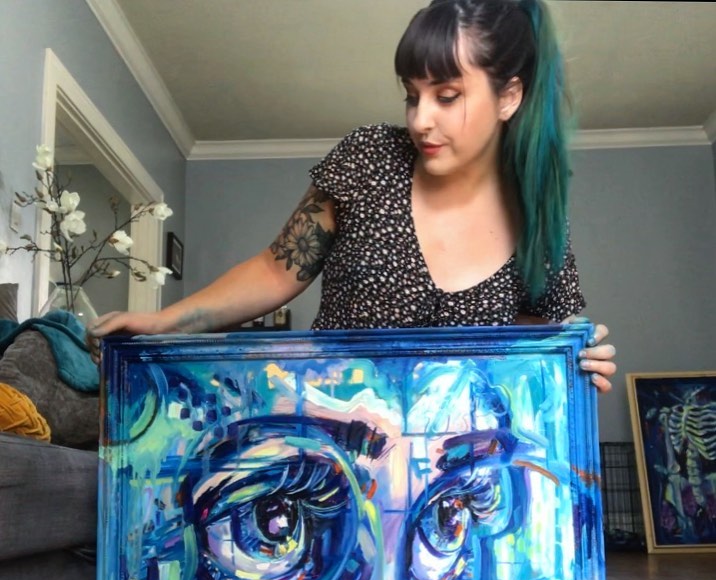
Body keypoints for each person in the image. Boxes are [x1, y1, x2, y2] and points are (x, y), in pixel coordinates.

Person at [88, 0, 616, 391]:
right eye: (412, 95)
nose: (420, 120)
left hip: (454, 475)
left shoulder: (540, 220)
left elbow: (552, 333)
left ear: (509, 97)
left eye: (447, 96)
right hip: (333, 450)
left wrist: (584, 353)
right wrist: (162, 321)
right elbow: (275, 269)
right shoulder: (369, 159)